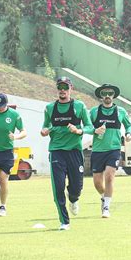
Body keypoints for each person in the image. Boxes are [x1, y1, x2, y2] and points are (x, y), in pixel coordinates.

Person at [40, 77, 93, 230]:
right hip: (56, 152)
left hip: (75, 151)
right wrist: (44, 131)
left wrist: (78, 130)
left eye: (65, 87)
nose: (62, 90)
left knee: (76, 187)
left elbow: (90, 126)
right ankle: (64, 221)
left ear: (71, 88)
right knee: (58, 187)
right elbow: (45, 126)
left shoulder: (79, 106)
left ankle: (74, 198)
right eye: (59, 87)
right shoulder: (50, 108)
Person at [88, 84, 131, 218]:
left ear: (114, 95)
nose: (107, 96)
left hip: (114, 149)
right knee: (97, 182)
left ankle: (106, 207)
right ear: (101, 96)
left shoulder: (121, 111)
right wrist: (94, 130)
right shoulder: (94, 112)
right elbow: (86, 126)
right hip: (97, 150)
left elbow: (129, 125)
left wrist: (129, 133)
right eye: (104, 93)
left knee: (109, 176)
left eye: (110, 93)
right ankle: (103, 197)